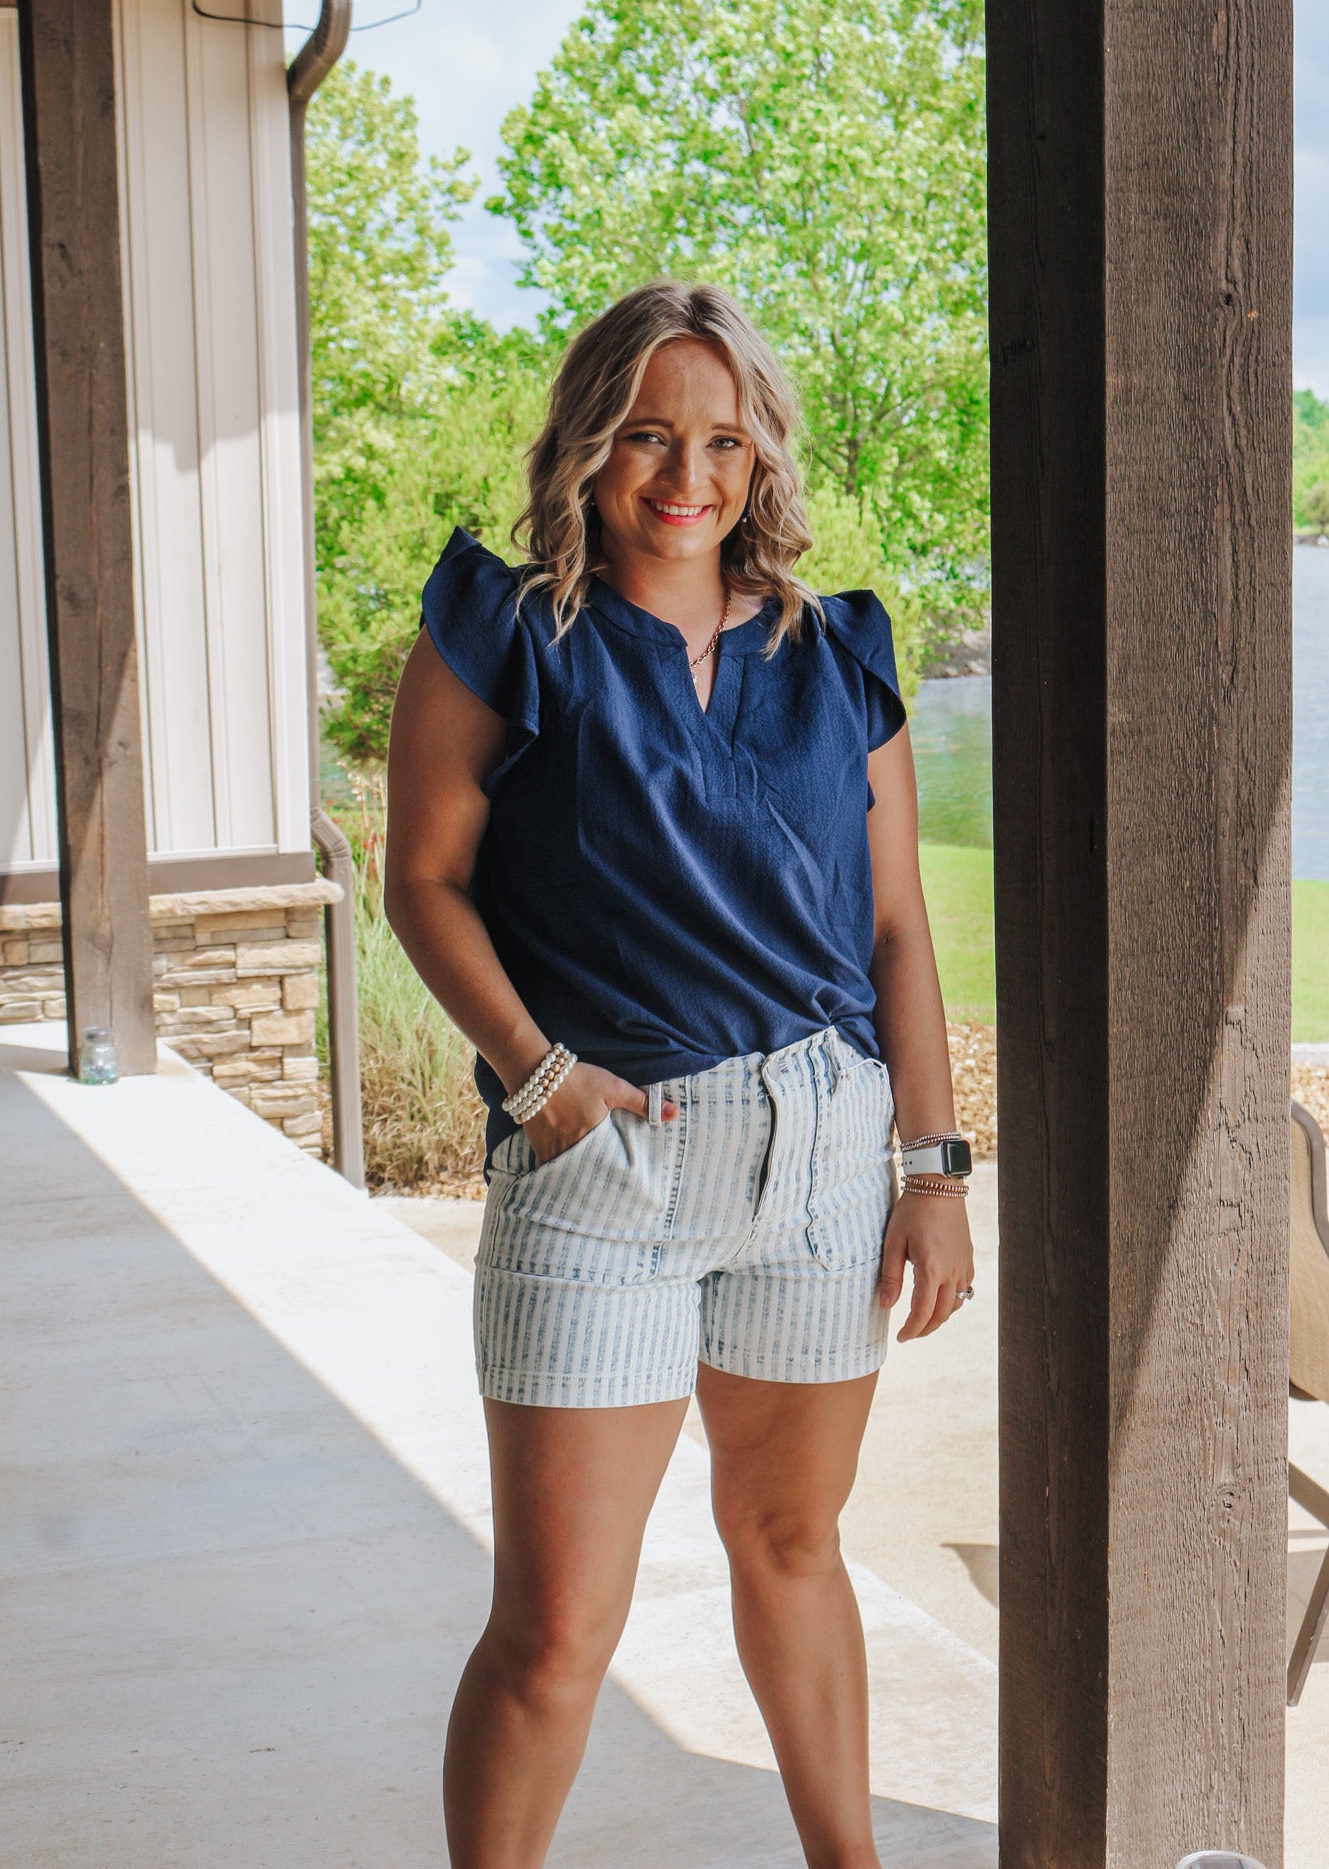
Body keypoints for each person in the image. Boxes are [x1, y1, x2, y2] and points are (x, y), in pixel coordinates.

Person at [385, 281, 975, 1869]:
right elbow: (424, 883)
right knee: (558, 1627)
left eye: (719, 438)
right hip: (605, 1173)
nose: (684, 474)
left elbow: (901, 935)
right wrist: (538, 1078)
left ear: (760, 457)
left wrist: (932, 1174)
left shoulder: (836, 647)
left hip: (823, 1161)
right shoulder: (505, 630)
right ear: (588, 442)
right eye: (647, 432)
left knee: (793, 1547)